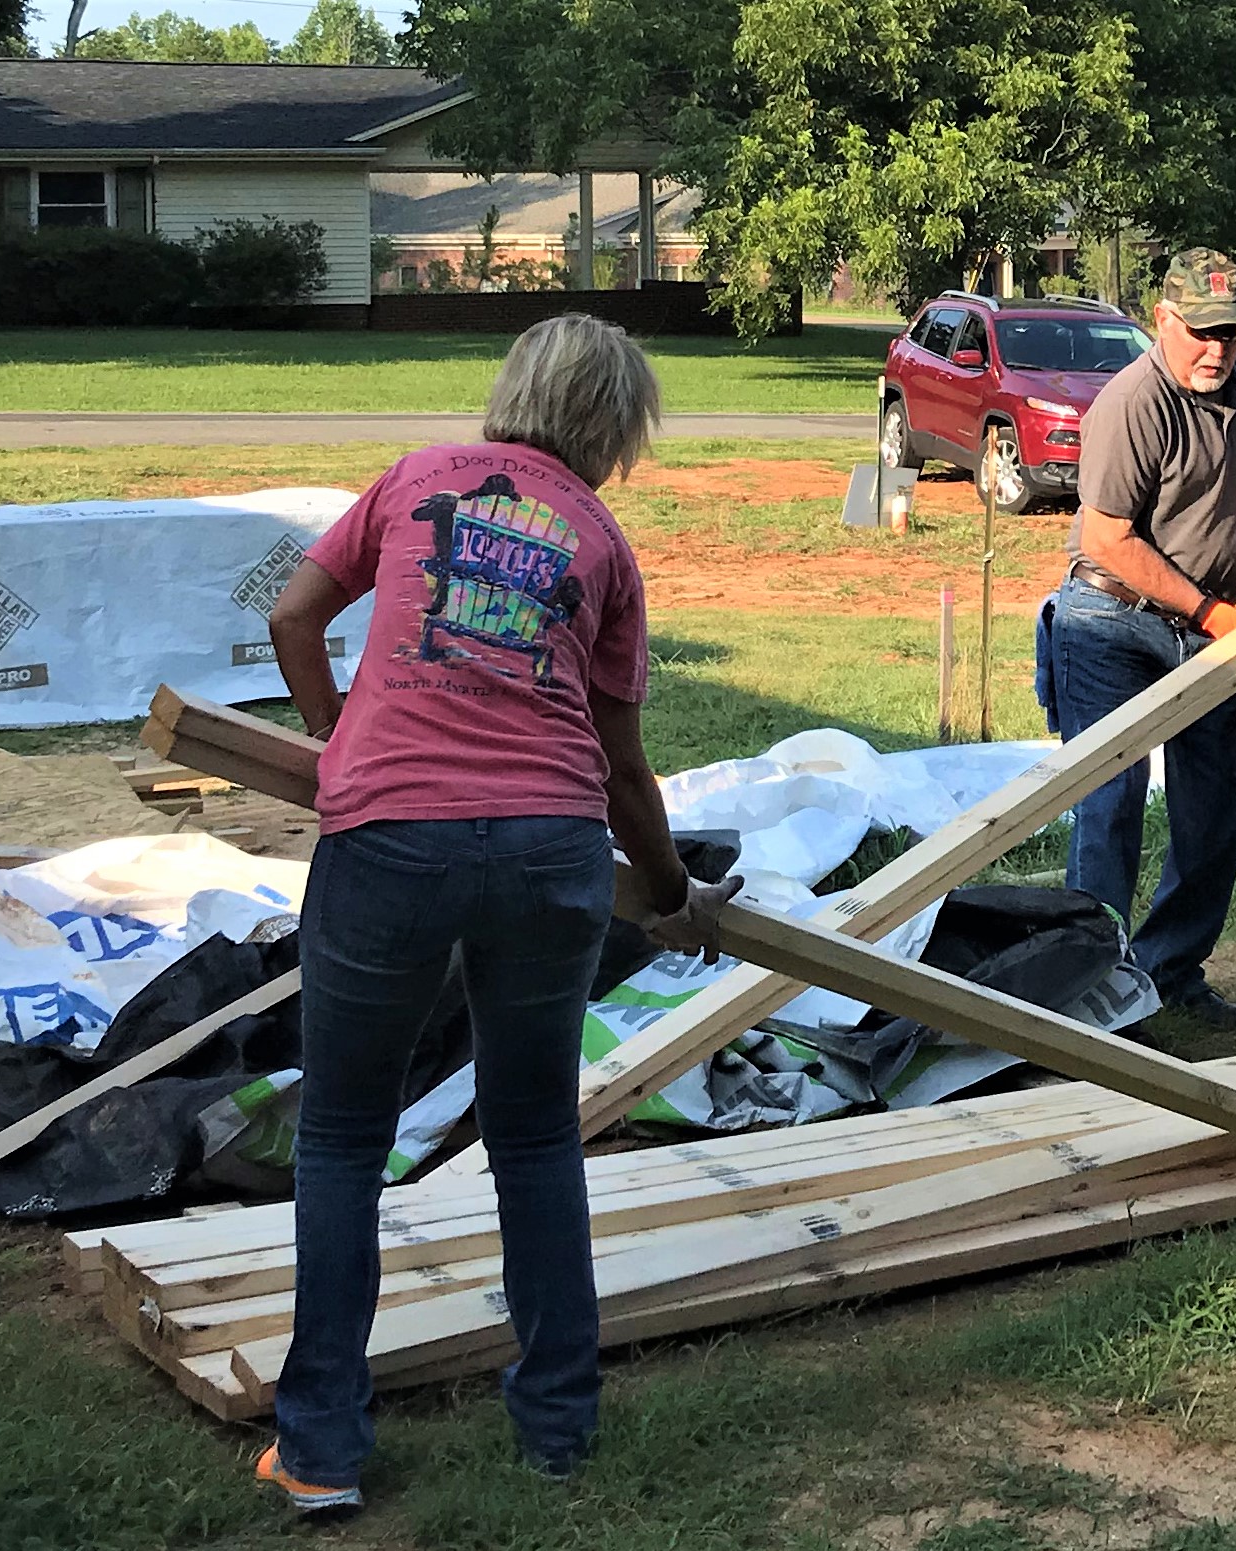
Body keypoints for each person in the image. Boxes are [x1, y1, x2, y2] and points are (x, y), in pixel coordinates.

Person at [261, 314, 738, 1513]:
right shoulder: (601, 540)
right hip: (550, 852)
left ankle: (320, 1450)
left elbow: (291, 620)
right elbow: (624, 766)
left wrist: (339, 739)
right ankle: (558, 1431)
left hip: (390, 841)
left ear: (512, 387)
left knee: (340, 1140)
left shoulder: (413, 481)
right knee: (531, 1138)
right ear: (615, 426)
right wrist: (674, 896)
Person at [1041, 247, 1236, 1031]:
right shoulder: (1131, 402)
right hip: (1109, 623)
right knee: (1109, 804)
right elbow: (1110, 538)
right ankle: (1094, 987)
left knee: (1216, 806)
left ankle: (1169, 969)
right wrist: (1211, 613)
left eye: (1230, 332)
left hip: (1204, 628)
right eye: (1200, 332)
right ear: (1163, 320)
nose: (1216, 348)